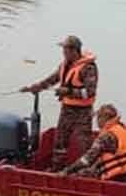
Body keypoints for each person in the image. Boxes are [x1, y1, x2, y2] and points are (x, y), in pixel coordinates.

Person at [20, 35, 98, 171]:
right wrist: (36, 87)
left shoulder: (88, 68)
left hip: (83, 111)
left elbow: (89, 92)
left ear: (74, 51)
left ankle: (88, 172)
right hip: (67, 109)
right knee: (60, 141)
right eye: (63, 49)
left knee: (84, 143)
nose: (63, 52)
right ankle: (57, 168)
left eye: (65, 50)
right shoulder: (65, 65)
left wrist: (67, 91)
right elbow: (52, 79)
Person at [63, 104, 126, 183]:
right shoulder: (124, 129)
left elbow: (86, 160)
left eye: (98, 118)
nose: (97, 121)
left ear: (104, 119)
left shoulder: (106, 137)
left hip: (117, 178)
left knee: (76, 175)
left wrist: (67, 171)